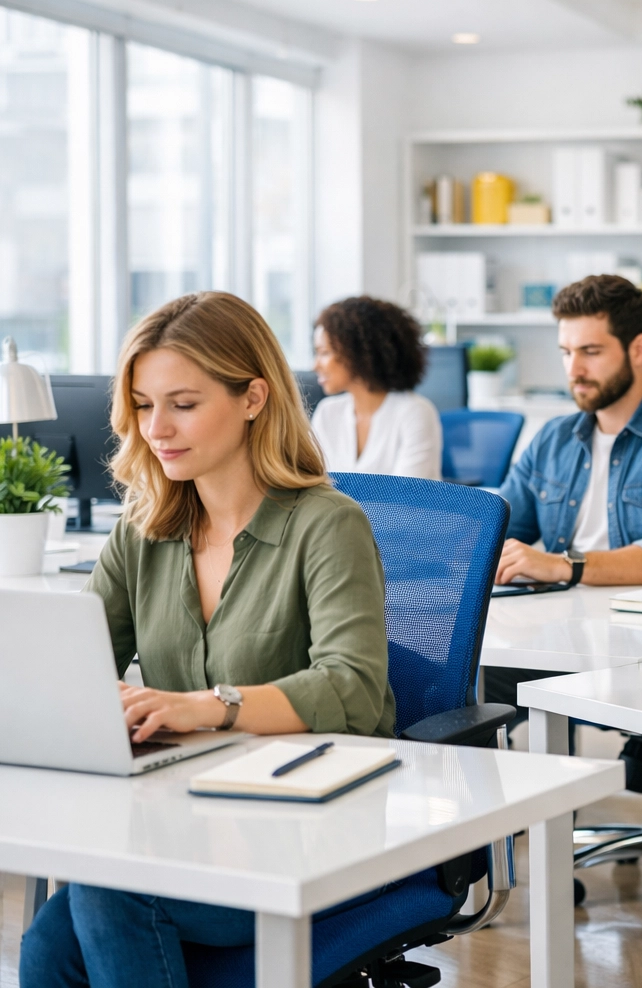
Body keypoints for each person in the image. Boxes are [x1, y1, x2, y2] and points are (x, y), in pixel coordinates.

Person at [19, 292, 393, 988]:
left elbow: (357, 688)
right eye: (141, 404)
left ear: (253, 397)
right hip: (176, 816)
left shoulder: (326, 524)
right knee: (50, 941)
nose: (156, 428)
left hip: (299, 827)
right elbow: (71, 666)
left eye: (183, 403)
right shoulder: (144, 529)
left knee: (105, 892)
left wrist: (209, 704)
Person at [482, 274, 642, 707]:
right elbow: (494, 526)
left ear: (638, 349)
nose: (573, 370)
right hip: (561, 631)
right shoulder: (554, 438)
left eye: (590, 352)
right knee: (455, 681)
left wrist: (562, 565)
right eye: (566, 352)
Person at [310, 294, 442, 479]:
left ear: (358, 353)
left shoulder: (415, 413)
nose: (315, 366)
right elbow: (313, 490)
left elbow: (407, 501)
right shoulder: (328, 413)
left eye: (324, 353)